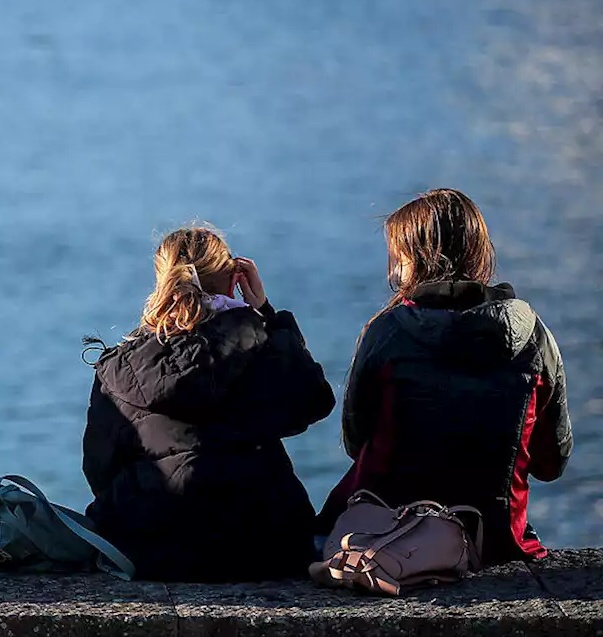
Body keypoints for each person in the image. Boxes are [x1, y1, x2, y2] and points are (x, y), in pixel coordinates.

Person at [316, 189, 572, 564]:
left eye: (397, 257)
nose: (392, 270)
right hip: (496, 541)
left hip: (395, 538)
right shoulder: (532, 335)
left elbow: (357, 443)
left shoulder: (387, 333)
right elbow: (552, 462)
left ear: (413, 261)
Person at [82, 226, 334, 582]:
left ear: (162, 281)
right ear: (234, 281)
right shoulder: (263, 343)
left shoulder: (122, 365)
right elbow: (314, 401)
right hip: (266, 543)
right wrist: (266, 313)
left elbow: (100, 467)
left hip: (152, 547)